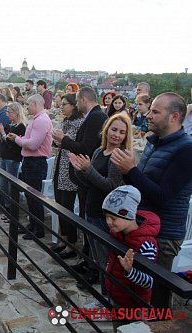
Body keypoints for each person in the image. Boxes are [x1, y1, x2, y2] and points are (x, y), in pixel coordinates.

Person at [110, 92, 192, 309]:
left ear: (174, 117)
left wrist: (132, 170)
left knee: (156, 295)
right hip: (145, 226)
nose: (149, 115)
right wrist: (127, 172)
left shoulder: (186, 149)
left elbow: (163, 196)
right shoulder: (154, 142)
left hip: (163, 234)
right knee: (135, 287)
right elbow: (142, 186)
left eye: (156, 111)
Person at [69, 113, 131, 293]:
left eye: (121, 132)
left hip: (105, 216)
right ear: (106, 130)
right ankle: (105, 298)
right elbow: (89, 184)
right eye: (114, 130)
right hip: (92, 210)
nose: (116, 135)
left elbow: (110, 186)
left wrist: (88, 169)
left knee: (106, 263)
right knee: (98, 260)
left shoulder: (119, 156)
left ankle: (108, 301)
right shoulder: (99, 151)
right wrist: (80, 170)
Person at [52, 87, 108, 273]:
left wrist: (64, 139)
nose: (76, 105)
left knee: (89, 220)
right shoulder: (94, 116)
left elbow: (85, 147)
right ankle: (87, 260)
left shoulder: (95, 117)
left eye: (77, 101)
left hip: (90, 174)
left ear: (83, 99)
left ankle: (91, 264)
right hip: (85, 175)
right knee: (85, 217)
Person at [101, 186, 159, 330]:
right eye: (106, 217)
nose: (108, 222)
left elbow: (148, 282)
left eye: (113, 218)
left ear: (129, 215)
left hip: (134, 305)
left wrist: (130, 271)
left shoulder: (146, 245)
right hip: (118, 294)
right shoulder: (118, 232)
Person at [8, 94, 53, 239]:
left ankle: (38, 229)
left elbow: (33, 144)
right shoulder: (38, 119)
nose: (26, 107)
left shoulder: (41, 120)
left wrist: (17, 139)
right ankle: (33, 225)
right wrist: (22, 140)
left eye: (28, 104)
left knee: (34, 197)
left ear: (35, 103)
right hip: (31, 161)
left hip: (35, 162)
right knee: (30, 196)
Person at [51, 94, 84, 256]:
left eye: (65, 104)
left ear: (74, 105)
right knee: (59, 205)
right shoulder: (66, 121)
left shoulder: (80, 123)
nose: (61, 107)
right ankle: (63, 239)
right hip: (60, 166)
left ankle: (71, 243)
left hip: (70, 169)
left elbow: (78, 146)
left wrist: (63, 140)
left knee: (67, 207)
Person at [0, 102, 27, 215]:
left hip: (12, 158)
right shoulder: (11, 125)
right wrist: (2, 132)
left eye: (10, 112)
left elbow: (13, 146)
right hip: (4, 156)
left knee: (10, 186)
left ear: (17, 112)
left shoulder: (21, 127)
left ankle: (10, 210)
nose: (7, 114)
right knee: (2, 183)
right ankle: (5, 206)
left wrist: (3, 133)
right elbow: (5, 141)